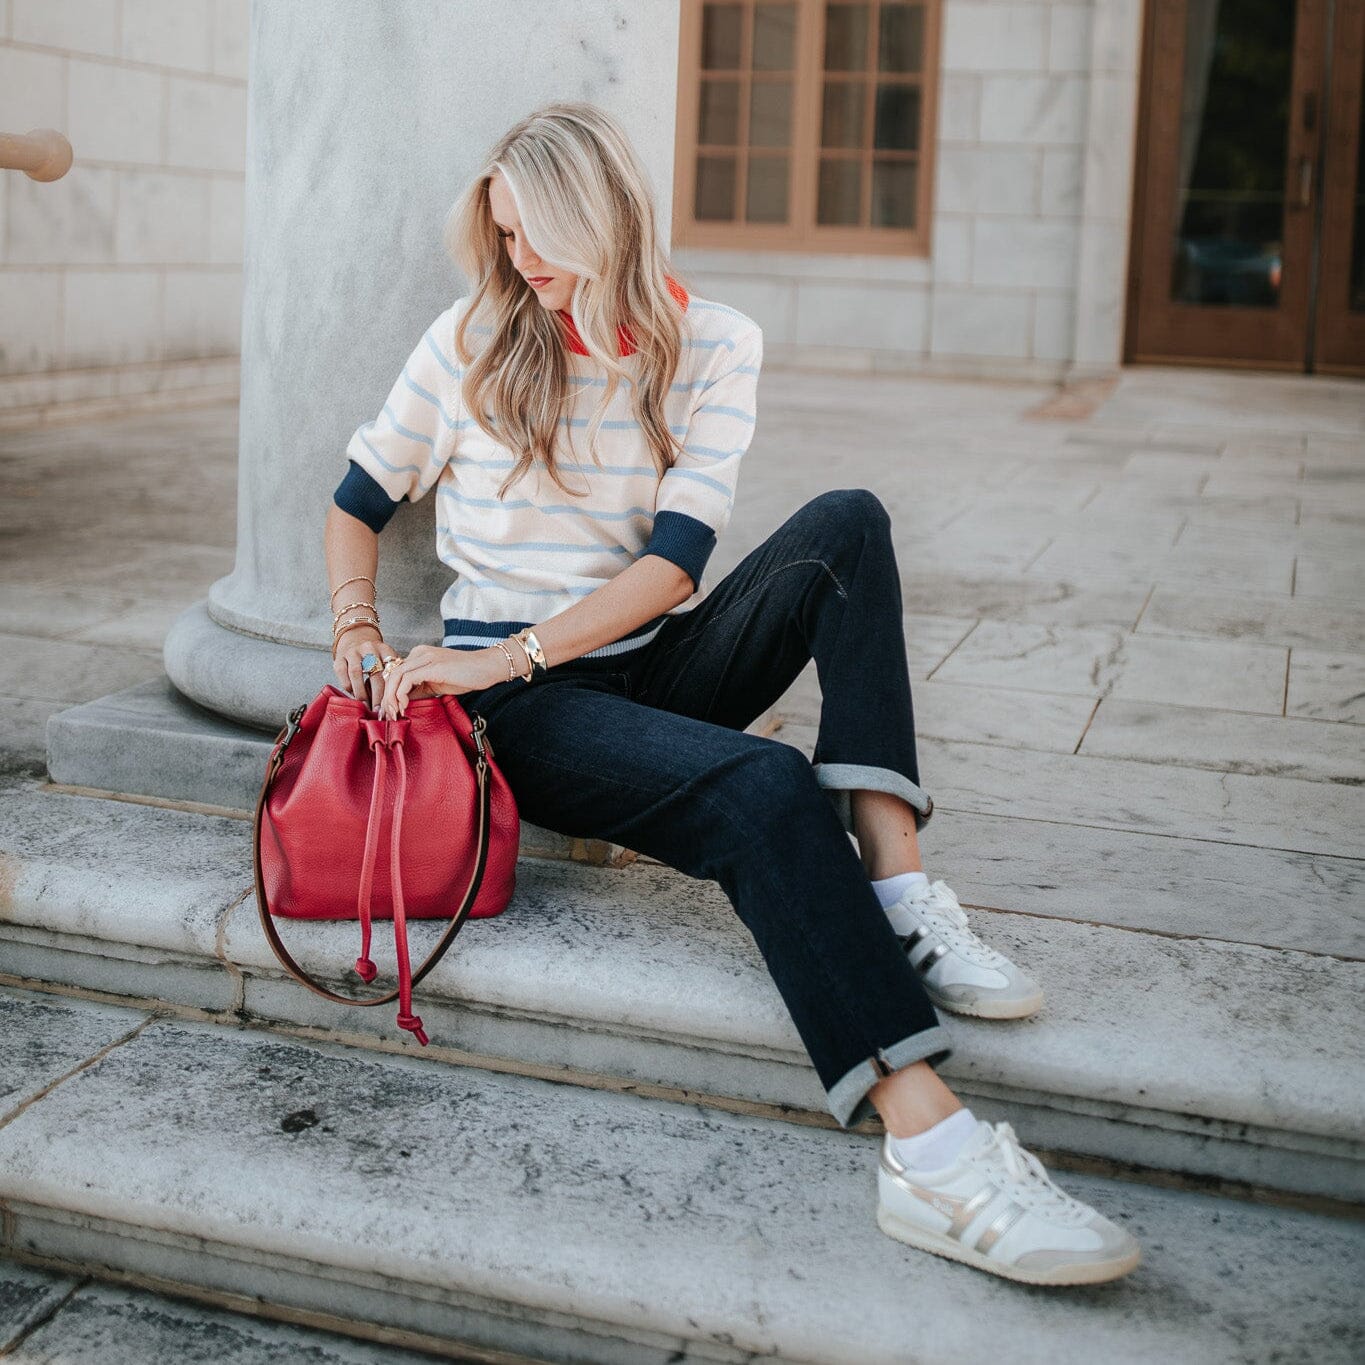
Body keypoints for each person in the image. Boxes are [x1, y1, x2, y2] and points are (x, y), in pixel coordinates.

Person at [322, 101, 1140, 1287]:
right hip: (519, 712)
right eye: (503, 237)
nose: (521, 262)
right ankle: (935, 1156)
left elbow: (675, 569)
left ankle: (898, 894)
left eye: (538, 234)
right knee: (765, 786)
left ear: (604, 218)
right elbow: (356, 502)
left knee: (844, 528)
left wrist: (525, 649)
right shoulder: (468, 344)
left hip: (624, 656)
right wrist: (361, 629)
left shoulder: (715, 343)